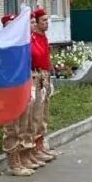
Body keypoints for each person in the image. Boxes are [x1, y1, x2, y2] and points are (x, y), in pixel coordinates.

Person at [0, 13, 36, 177]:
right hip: (9, 90)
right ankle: (13, 163)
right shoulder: (3, 46)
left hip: (22, 87)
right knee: (11, 126)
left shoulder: (20, 45)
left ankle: (21, 157)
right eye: (10, 25)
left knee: (23, 124)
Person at [30, 8, 60, 163]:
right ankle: (33, 147)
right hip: (36, 76)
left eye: (47, 20)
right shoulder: (32, 38)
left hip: (45, 76)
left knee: (44, 114)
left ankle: (40, 144)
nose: (47, 23)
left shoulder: (43, 37)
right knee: (36, 114)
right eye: (44, 21)